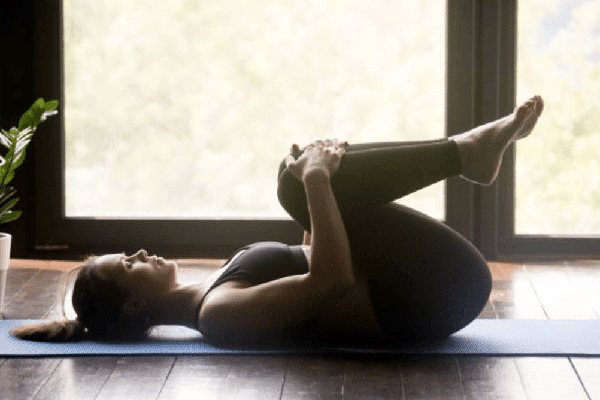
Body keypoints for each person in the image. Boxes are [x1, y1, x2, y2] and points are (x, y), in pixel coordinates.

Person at [11, 96, 544, 345]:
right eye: (128, 264)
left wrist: (316, 186)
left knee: (297, 177)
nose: (140, 252)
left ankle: (467, 154)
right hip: (435, 294)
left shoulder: (211, 291)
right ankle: (466, 154)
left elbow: (314, 255)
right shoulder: (218, 316)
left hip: (424, 282)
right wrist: (313, 183)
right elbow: (332, 281)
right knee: (298, 183)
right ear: (133, 303)